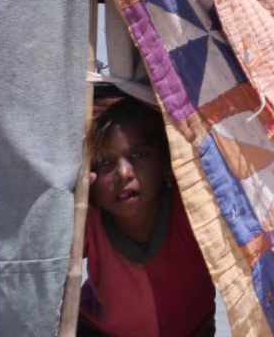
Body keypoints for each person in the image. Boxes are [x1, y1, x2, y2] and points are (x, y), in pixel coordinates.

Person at [79, 90, 216, 337]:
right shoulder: (87, 219)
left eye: (139, 155)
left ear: (166, 162)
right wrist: (73, 202)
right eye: (104, 163)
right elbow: (46, 254)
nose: (124, 173)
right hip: (98, 332)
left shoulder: (193, 210)